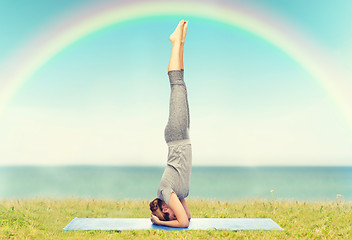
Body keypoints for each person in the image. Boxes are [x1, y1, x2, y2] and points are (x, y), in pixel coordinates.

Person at [149, 20, 192, 228]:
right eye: (168, 216)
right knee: (181, 86)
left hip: (176, 136)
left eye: (166, 213)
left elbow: (183, 223)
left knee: (176, 84)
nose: (171, 213)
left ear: (164, 206)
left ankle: (175, 42)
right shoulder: (179, 194)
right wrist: (172, 216)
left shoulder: (166, 191)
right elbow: (188, 217)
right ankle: (180, 43)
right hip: (183, 136)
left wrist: (160, 222)